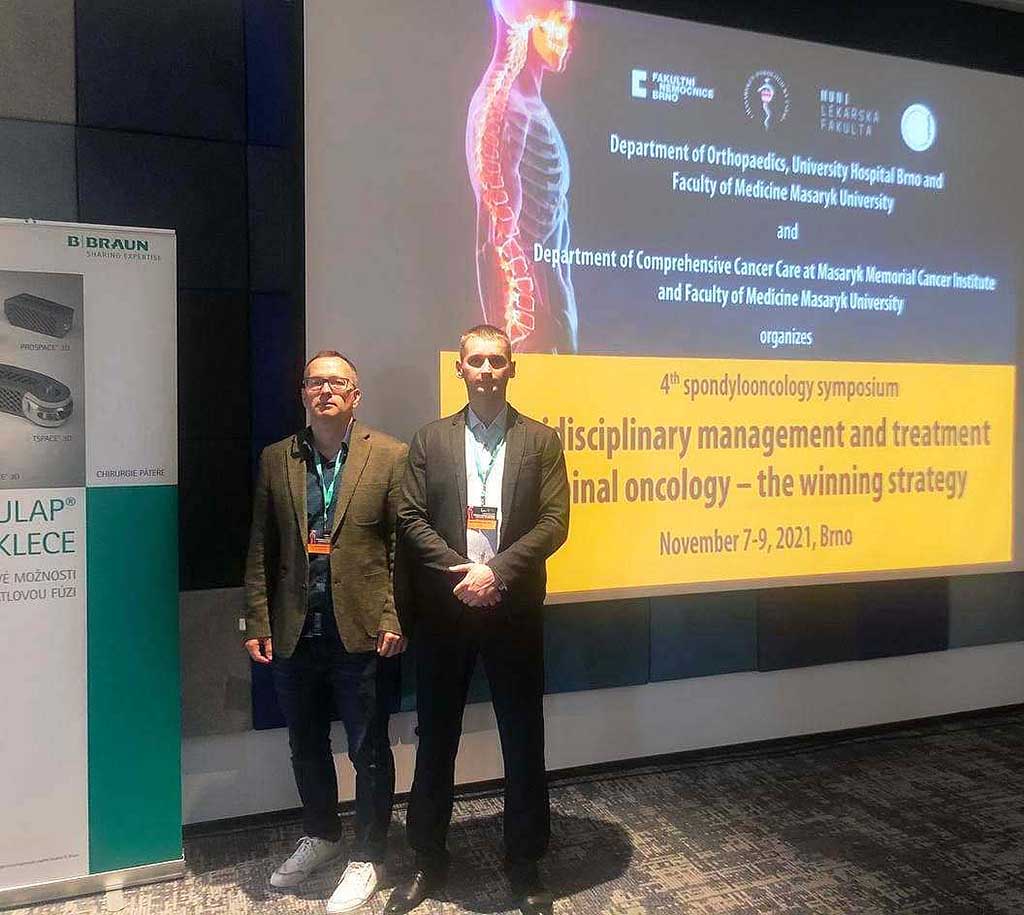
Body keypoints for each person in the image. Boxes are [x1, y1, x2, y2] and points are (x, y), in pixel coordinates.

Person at [386, 324, 570, 915]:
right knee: (436, 737)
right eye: (477, 361)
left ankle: (525, 863)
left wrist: (497, 573)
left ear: (512, 368)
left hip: (513, 610)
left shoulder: (541, 440)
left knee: (524, 737)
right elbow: (410, 518)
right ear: (459, 369)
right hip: (446, 612)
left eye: (497, 361)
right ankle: (427, 859)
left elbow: (555, 522)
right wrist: (462, 573)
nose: (487, 370)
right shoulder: (430, 440)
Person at [244, 350, 408, 913]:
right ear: (303, 394)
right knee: (305, 743)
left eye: (338, 383)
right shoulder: (276, 458)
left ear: (355, 396)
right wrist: (258, 618)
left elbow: (400, 549)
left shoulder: (390, 455)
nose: (326, 391)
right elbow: (261, 545)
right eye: (315, 382)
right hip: (296, 628)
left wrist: (394, 616)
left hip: (361, 629)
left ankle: (369, 854)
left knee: (368, 747)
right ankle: (322, 833)